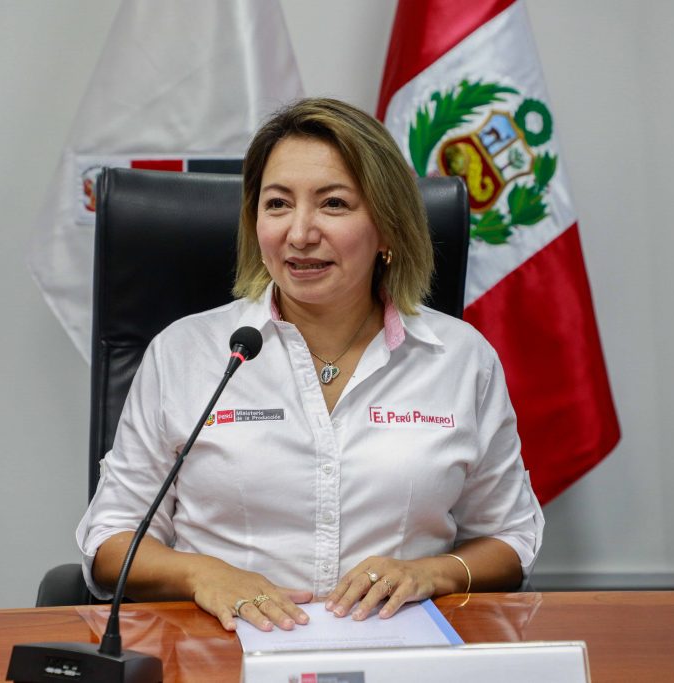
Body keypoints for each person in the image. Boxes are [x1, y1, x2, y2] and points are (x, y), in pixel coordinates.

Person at [76, 97, 543, 634]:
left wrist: (431, 572)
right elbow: (108, 540)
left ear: (388, 228)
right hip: (222, 650)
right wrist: (203, 574)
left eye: (333, 204)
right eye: (277, 204)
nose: (299, 234)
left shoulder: (460, 358)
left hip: (399, 651)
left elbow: (511, 537)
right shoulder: (186, 353)